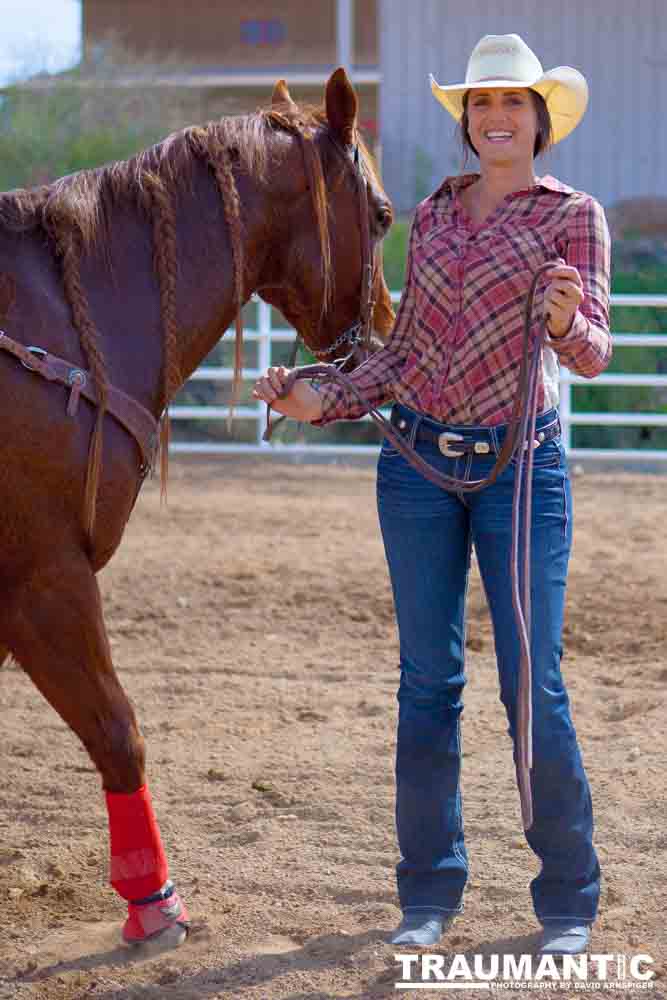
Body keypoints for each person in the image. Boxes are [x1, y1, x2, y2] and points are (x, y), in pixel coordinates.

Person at [253, 33, 611, 957]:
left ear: (539, 121)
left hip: (519, 473)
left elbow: (594, 351)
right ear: (468, 120)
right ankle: (428, 892)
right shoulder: (434, 212)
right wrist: (318, 398)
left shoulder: (574, 215)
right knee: (426, 684)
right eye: (480, 103)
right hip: (414, 468)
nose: (495, 117)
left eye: (512, 103)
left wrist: (569, 320)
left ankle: (568, 899)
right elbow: (405, 352)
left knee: (531, 684)